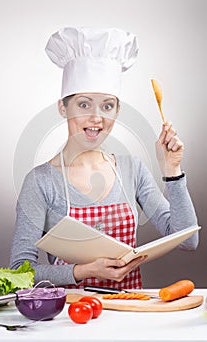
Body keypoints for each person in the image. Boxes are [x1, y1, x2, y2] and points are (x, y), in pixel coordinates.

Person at [10, 27, 198, 289]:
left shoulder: (133, 170)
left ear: (117, 110)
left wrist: (173, 170)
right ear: (63, 108)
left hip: (128, 311)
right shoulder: (40, 182)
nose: (97, 118)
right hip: (71, 319)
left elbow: (187, 240)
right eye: (84, 104)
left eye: (107, 106)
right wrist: (82, 271)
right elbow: (20, 271)